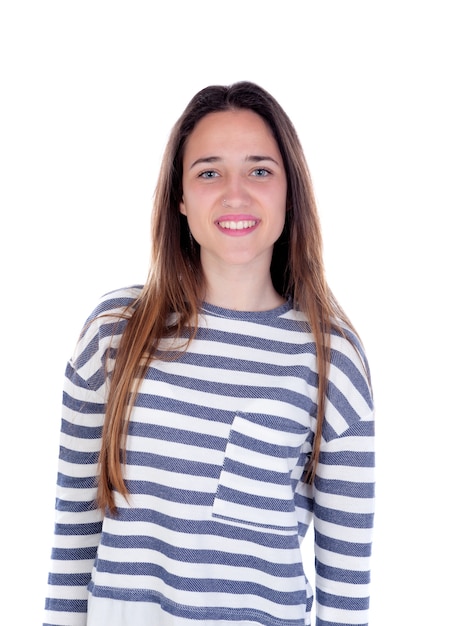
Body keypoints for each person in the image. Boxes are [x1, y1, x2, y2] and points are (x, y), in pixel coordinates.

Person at [43, 81, 375, 626]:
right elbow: (73, 538)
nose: (235, 195)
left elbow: (346, 594)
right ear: (180, 196)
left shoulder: (331, 359)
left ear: (290, 191)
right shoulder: (114, 334)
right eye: (209, 173)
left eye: (259, 171)